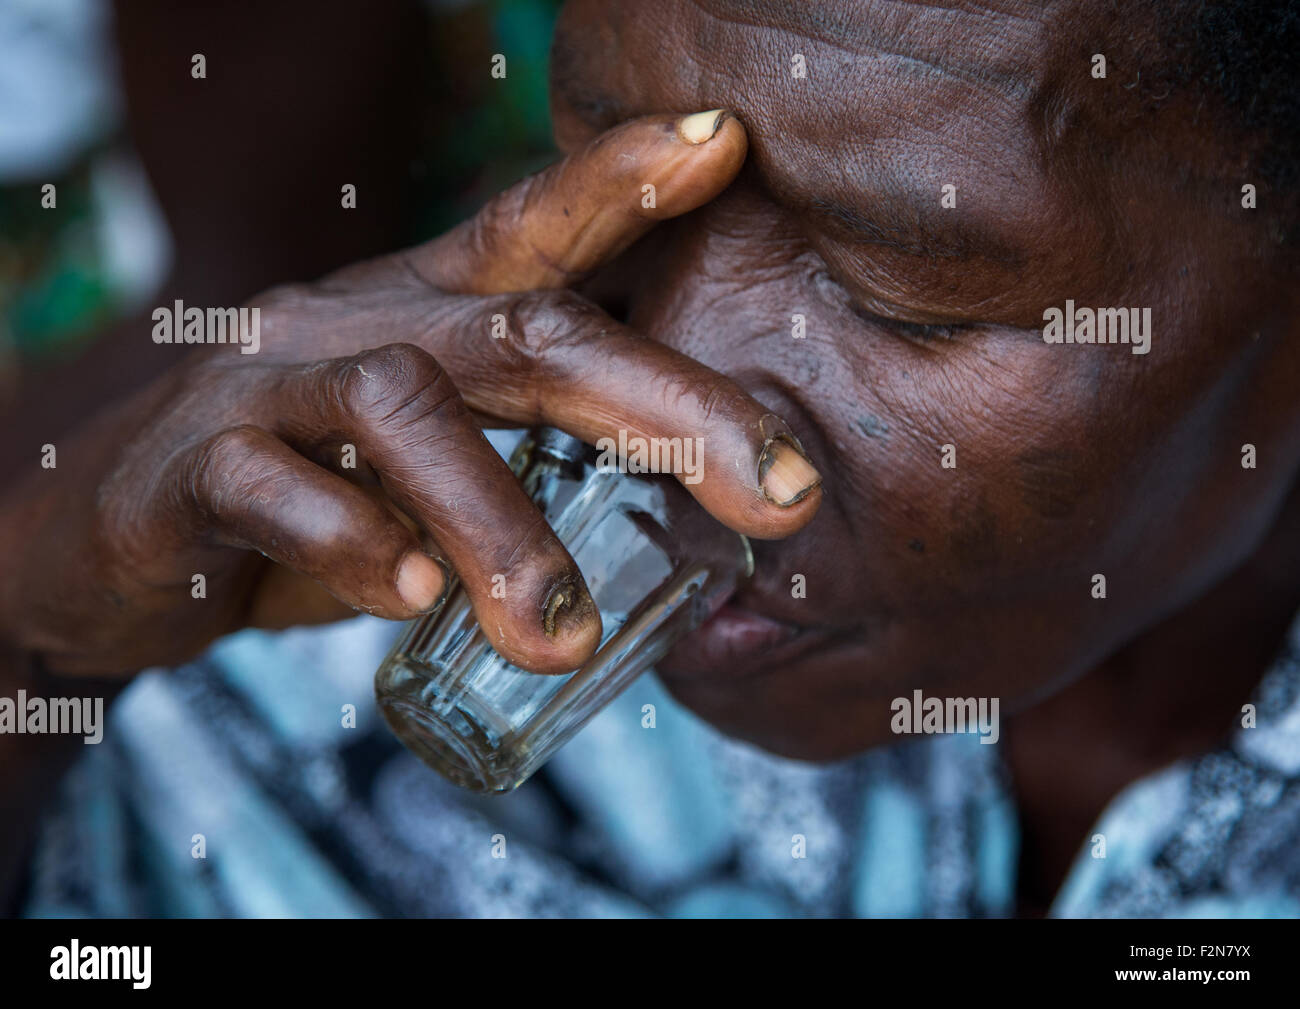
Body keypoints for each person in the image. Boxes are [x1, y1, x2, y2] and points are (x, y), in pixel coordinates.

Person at [3, 0, 1299, 917]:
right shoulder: (372, 588)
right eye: (619, 195)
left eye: (911, 304)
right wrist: (30, 655)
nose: (647, 419)